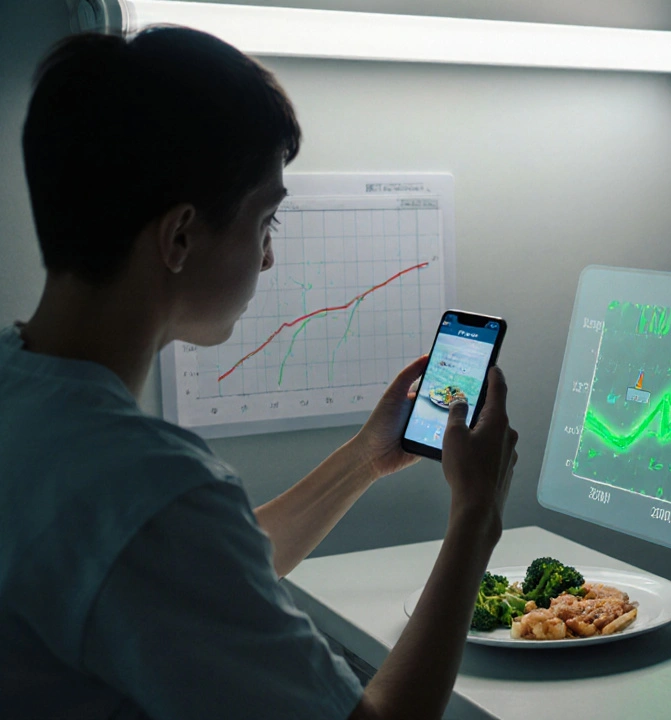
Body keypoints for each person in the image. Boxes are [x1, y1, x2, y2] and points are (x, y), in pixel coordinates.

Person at [0, 27, 518, 720]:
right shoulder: (146, 484)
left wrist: (364, 459)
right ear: (179, 237)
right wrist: (476, 514)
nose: (268, 258)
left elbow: (199, 569)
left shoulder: (26, 396)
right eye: (266, 220)